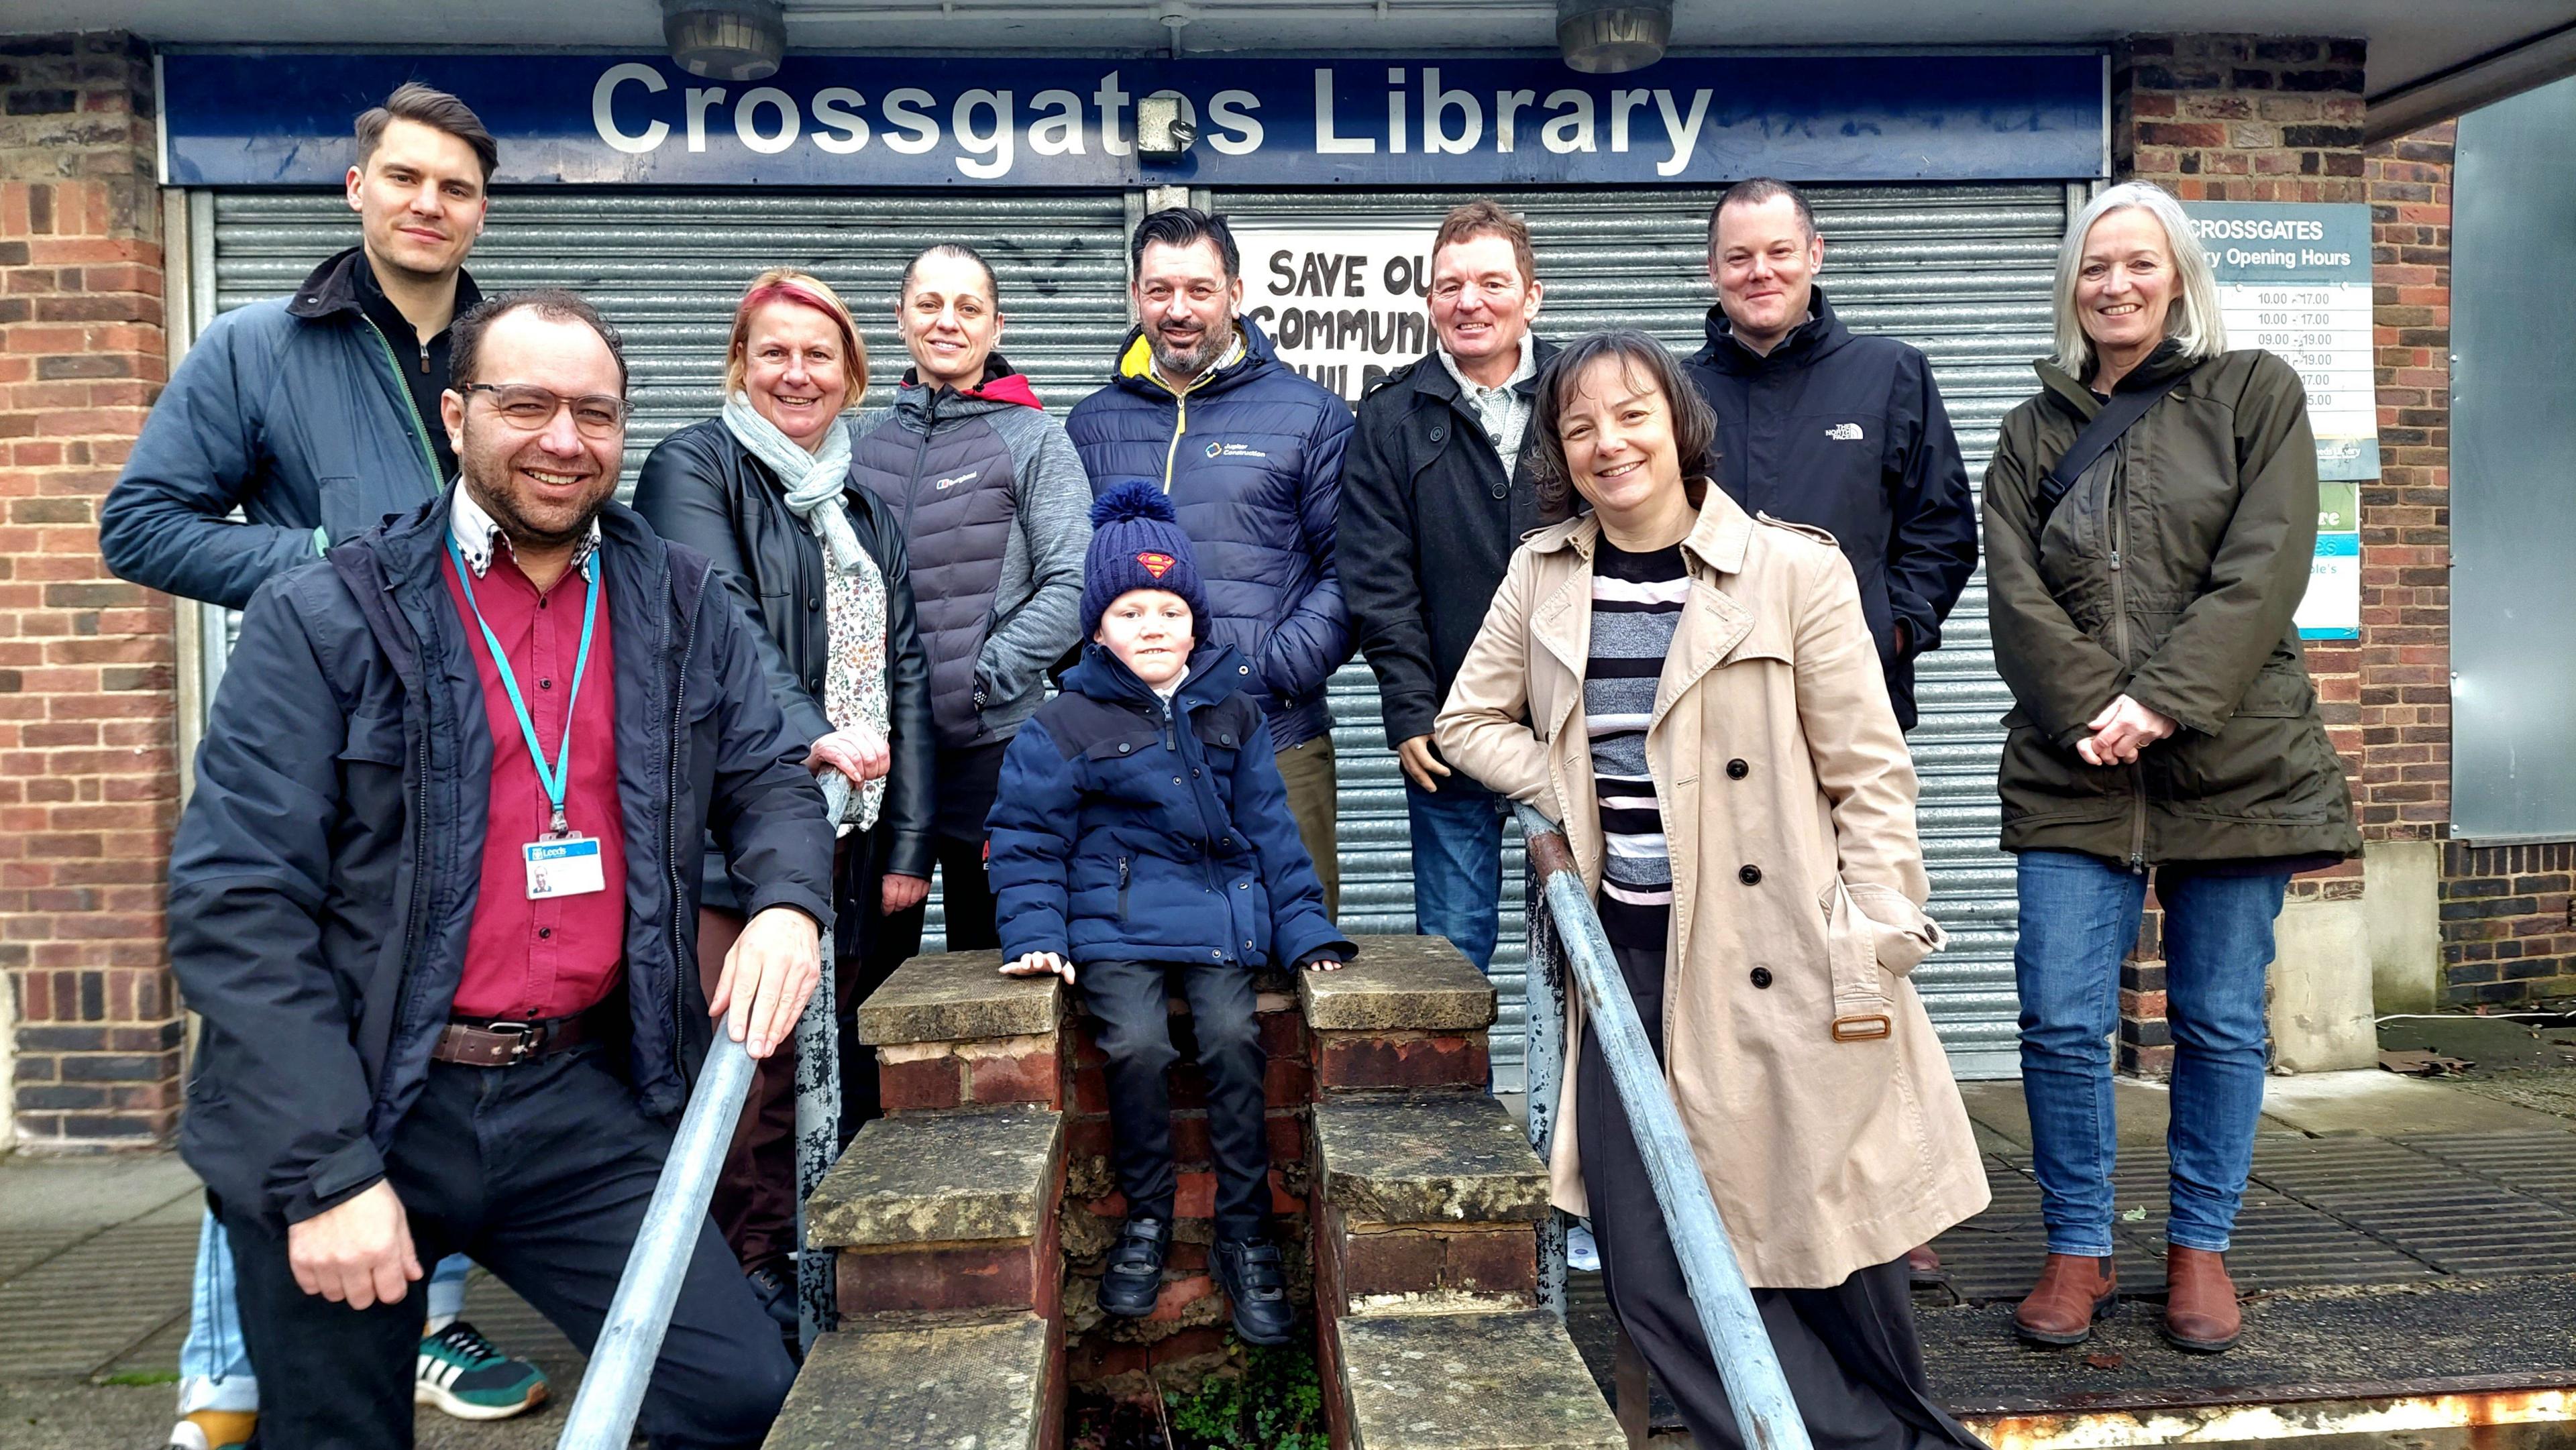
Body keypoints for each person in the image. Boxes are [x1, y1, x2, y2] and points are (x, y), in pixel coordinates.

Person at [167, 290, 830, 1450]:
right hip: (367, 1097)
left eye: (596, 413)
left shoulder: (677, 601)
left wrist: (786, 900)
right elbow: (237, 903)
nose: (565, 440)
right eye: (527, 405)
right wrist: (325, 1172)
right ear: (456, 413)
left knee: (735, 1396)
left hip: (575, 1096)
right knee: (337, 1436)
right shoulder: (328, 613)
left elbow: (771, 771)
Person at [1437, 331, 1990, 1449]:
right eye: (1580, 424)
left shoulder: (1796, 570)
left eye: (1632, 414)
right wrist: (1570, 779)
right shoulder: (1542, 573)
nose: (1608, 442)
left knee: (1834, 1267)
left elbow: (1868, 773)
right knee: (1654, 1275)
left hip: (1783, 953)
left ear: (1681, 425)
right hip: (1631, 963)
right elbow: (1466, 721)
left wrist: (1878, 932)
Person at [94, 84, 546, 1450]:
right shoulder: (255, 346)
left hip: (479, 772)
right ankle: (226, 1382)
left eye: (456, 188)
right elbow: (143, 525)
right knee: (290, 1067)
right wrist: (319, 565)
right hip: (325, 769)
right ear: (358, 189)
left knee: (446, 1048)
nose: (430, 205)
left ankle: (429, 1313)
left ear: (480, 209)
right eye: (405, 179)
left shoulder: (503, 351)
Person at [1984, 182, 2359, 1355]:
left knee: (2217, 1019)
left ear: (2180, 274)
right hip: (2073, 765)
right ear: (2071, 288)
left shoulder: (2254, 394)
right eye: (2095, 268)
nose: (2116, 285)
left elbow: (2265, 566)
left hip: (2234, 757)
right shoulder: (2032, 429)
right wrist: (2095, 707)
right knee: (2057, 1016)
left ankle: (2200, 1246)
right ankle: (2080, 1247)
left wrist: (2159, 701)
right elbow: (2012, 591)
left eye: (2139, 264)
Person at [632, 268, 932, 1333]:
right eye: (774, 352)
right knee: (740, 1068)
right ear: (739, 366)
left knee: (827, 1055)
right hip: (731, 834)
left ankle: (800, 1252)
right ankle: (737, 1279)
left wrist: (906, 839)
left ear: (852, 376)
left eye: (819, 355)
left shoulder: (862, 507)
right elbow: (721, 625)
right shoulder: (692, 468)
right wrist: (811, 729)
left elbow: (907, 678)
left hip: (850, 834)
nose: (796, 373)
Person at [989, 482, 1354, 1348]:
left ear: (1196, 622)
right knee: (1139, 1045)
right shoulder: (1062, 722)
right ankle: (1146, 1216)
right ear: (1097, 629)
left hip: (1221, 924)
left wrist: (1304, 930)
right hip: (1112, 928)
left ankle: (1245, 1228)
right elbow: (1029, 838)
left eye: (1168, 608)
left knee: (1233, 1041)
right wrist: (1038, 934)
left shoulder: (1233, 711)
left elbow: (1271, 827)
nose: (1152, 625)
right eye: (1128, 610)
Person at [1064, 208, 1354, 915]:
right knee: (1144, 964)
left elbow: (1355, 570)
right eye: (1160, 291)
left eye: (1200, 289)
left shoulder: (1311, 415)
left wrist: (1270, 667)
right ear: (1135, 295)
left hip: (1273, 738)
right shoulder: (1091, 424)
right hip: (1124, 746)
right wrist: (1091, 674)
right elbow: (1062, 574)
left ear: (1235, 290)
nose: (1179, 310)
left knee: (1296, 963)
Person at [847, 244, 1091, 968]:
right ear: (899, 318)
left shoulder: (1036, 437)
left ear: (996, 325)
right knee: (866, 979)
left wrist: (979, 676)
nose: (946, 322)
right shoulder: (855, 439)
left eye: (968, 307)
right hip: (874, 759)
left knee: (994, 976)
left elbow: (1075, 585)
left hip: (992, 753)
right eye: (928, 304)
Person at [1340, 199, 1557, 977]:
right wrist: (1408, 709)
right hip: (1451, 729)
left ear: (1531, 295)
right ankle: (1461, 1104)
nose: (1470, 302)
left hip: (1577, 728)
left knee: (1586, 945)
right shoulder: (1392, 415)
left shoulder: (1583, 394)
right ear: (1429, 301)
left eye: (1493, 282)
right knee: (1453, 957)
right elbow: (1377, 578)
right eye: (1450, 285)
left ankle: (1575, 1105)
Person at [1680, 177, 1977, 732]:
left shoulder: (1892, 374)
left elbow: (1942, 531)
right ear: (1712, 270)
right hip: (1706, 710)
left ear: (1815, 254)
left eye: (1780, 251)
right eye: (1739, 257)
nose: (1760, 271)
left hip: (1854, 701)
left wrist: (1890, 630)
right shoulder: (1673, 394)